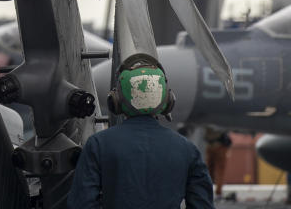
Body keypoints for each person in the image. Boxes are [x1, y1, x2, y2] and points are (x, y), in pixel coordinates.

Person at [67, 54, 214, 209]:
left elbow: (81, 204)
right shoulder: (187, 149)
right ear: (167, 100)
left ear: (116, 100)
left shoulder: (98, 145)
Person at [204, 126, 232, 199]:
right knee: (219, 171)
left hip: (211, 146)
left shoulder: (208, 120)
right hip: (219, 146)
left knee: (210, 171)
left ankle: (208, 192)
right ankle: (218, 193)